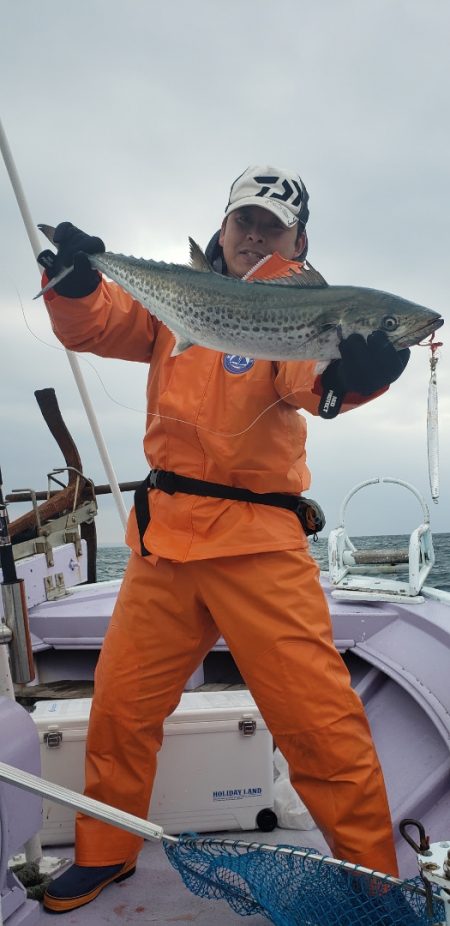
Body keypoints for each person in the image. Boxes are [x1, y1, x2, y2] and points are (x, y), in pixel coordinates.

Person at [39, 166, 410, 914]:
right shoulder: (185, 296)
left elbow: (312, 378)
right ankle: (104, 850)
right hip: (164, 542)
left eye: (270, 225)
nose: (253, 234)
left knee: (319, 724)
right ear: (224, 224)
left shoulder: (303, 303)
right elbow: (101, 323)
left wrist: (351, 378)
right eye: (244, 219)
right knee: (120, 710)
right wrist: (77, 284)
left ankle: (375, 879)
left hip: (258, 546)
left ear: (298, 241)